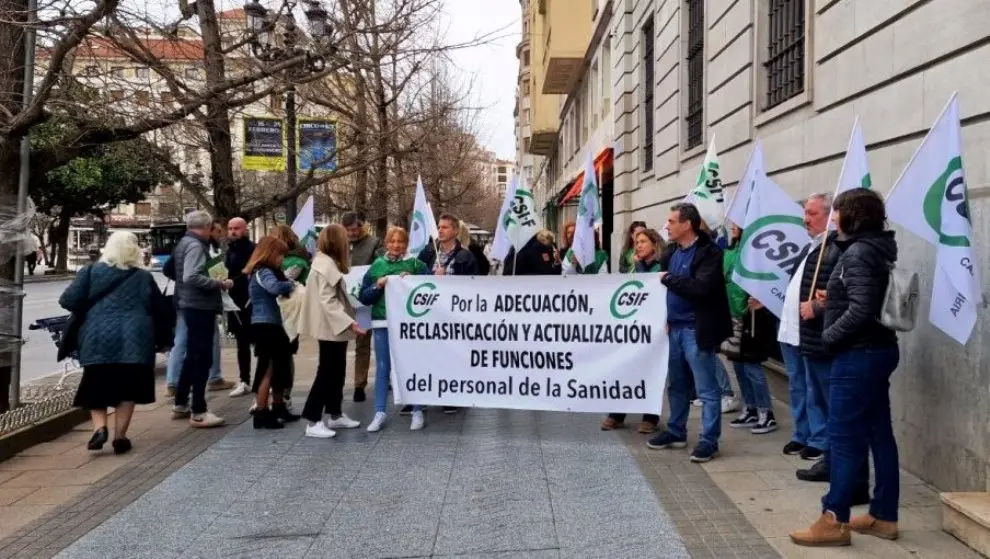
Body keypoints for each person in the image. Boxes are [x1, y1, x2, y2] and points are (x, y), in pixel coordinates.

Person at [790, 188, 901, 547]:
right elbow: (860, 297)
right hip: (874, 351)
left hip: (857, 355)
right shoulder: (872, 248)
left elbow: (861, 308)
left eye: (836, 213)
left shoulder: (858, 252)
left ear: (852, 216)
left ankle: (833, 517)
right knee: (878, 434)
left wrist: (829, 336)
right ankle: (883, 515)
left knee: (843, 437)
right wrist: (832, 299)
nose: (833, 218)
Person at [59, 232, 165, 453]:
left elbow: (67, 300)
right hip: (134, 338)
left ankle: (99, 429)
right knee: (128, 388)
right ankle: (120, 436)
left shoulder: (89, 271)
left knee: (96, 382)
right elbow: (159, 309)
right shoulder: (143, 277)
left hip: (97, 335)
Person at [646, 203, 731, 463]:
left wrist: (668, 279)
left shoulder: (709, 253)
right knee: (677, 385)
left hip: (697, 329)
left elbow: (701, 287)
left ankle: (709, 441)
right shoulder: (670, 253)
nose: (667, 226)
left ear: (687, 224)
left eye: (672, 221)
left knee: (706, 389)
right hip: (674, 329)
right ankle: (676, 431)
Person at [777, 194, 837, 468]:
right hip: (791, 329)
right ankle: (802, 433)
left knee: (815, 389)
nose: (806, 219)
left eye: (812, 213)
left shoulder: (834, 247)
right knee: (798, 386)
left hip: (811, 330)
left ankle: (819, 439)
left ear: (829, 215)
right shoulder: (810, 247)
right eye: (805, 213)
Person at [358, 226, 429, 432]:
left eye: (400, 242)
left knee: (411, 365)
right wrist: (376, 286)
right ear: (386, 243)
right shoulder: (376, 266)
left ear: (406, 244)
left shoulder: (417, 264)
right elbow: (364, 297)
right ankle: (380, 412)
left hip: (410, 326)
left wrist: (414, 282)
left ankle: (417, 409)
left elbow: (432, 290)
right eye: (392, 241)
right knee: (382, 368)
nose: (396, 245)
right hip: (383, 322)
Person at [299, 224, 366, 438]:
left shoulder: (325, 262)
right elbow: (328, 300)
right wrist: (349, 322)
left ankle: (335, 414)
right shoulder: (325, 265)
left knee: (336, 370)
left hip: (332, 326)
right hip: (331, 326)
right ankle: (313, 419)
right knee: (328, 371)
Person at [169, 210, 231, 428]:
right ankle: (199, 410)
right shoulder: (196, 246)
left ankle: (181, 402)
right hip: (199, 305)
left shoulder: (184, 242)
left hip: (188, 303)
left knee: (192, 356)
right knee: (202, 358)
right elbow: (191, 276)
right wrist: (219, 284)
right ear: (205, 227)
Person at [602, 228, 664, 434]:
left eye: (643, 241)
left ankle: (650, 417)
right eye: (637, 241)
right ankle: (617, 413)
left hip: (653, 327)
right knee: (626, 368)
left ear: (654, 244)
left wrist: (638, 266)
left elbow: (648, 289)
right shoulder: (634, 266)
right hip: (633, 326)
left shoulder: (659, 266)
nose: (638, 245)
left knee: (650, 372)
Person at [722, 225, 778, 434]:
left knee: (752, 365)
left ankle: (766, 412)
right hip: (733, 314)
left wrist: (761, 298)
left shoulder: (756, 253)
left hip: (751, 315)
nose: (731, 227)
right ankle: (750, 407)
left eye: (736, 224)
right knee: (738, 364)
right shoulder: (731, 251)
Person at [246, 236, 300, 429]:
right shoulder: (263, 270)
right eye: (280, 255)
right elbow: (274, 288)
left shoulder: (265, 270)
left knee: (280, 367)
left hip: (273, 325)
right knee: (267, 369)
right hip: (265, 325)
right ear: (270, 253)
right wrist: (291, 283)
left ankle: (278, 406)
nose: (282, 260)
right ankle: (262, 411)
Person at [343, 211, 383, 403]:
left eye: (354, 229)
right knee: (339, 342)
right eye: (348, 230)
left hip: (363, 299)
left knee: (363, 344)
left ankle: (360, 384)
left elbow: (379, 264)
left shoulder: (373, 243)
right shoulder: (339, 243)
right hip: (343, 299)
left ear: (361, 227)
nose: (351, 233)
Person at [224, 217, 255, 397]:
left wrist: (233, 282)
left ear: (245, 229)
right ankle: (244, 379)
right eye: (230, 228)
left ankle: (259, 379)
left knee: (254, 341)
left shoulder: (251, 249)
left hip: (248, 300)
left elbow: (248, 273)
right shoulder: (230, 250)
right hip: (233, 301)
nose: (233, 231)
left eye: (236, 228)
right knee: (241, 343)